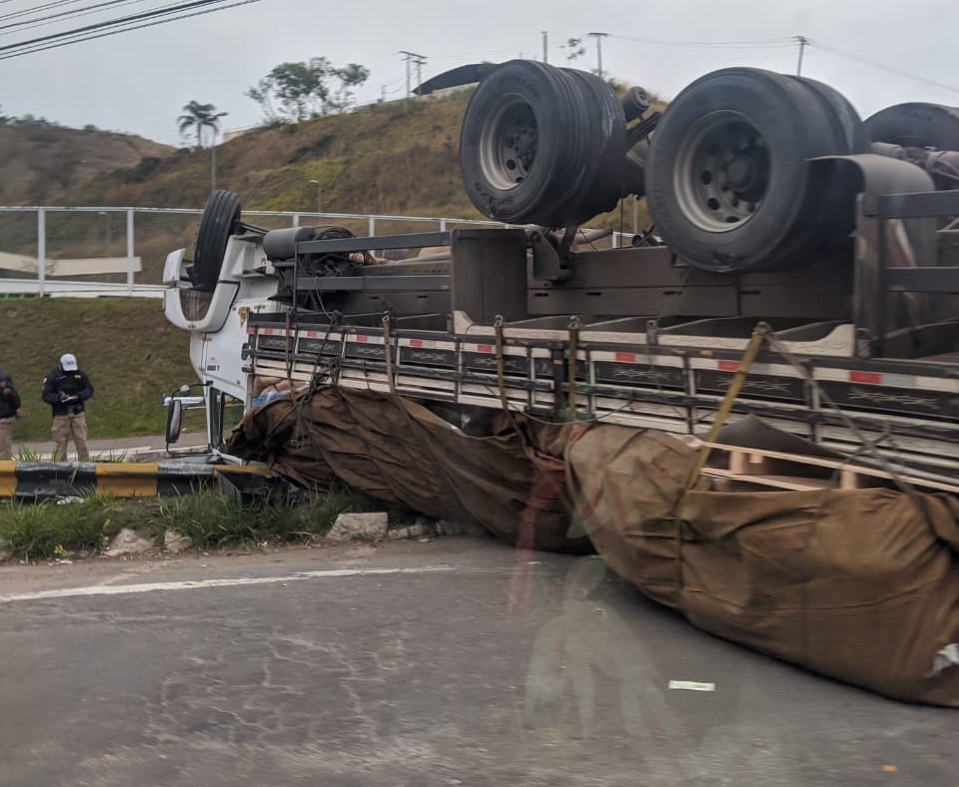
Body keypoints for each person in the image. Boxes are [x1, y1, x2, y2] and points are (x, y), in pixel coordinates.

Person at [42, 353, 94, 461]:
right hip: (61, 413)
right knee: (60, 442)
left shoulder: (80, 374)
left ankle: (84, 462)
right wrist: (59, 398)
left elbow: (89, 389)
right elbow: (46, 395)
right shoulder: (53, 376)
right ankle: (60, 465)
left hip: (77, 411)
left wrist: (79, 396)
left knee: (81, 440)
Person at [0, 366, 22, 460]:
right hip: (3, 415)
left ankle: (4, 471)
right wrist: (16, 407)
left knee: (4, 448)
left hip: (3, 417)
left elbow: (11, 394)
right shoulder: (3, 377)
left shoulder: (2, 378)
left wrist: (16, 407)